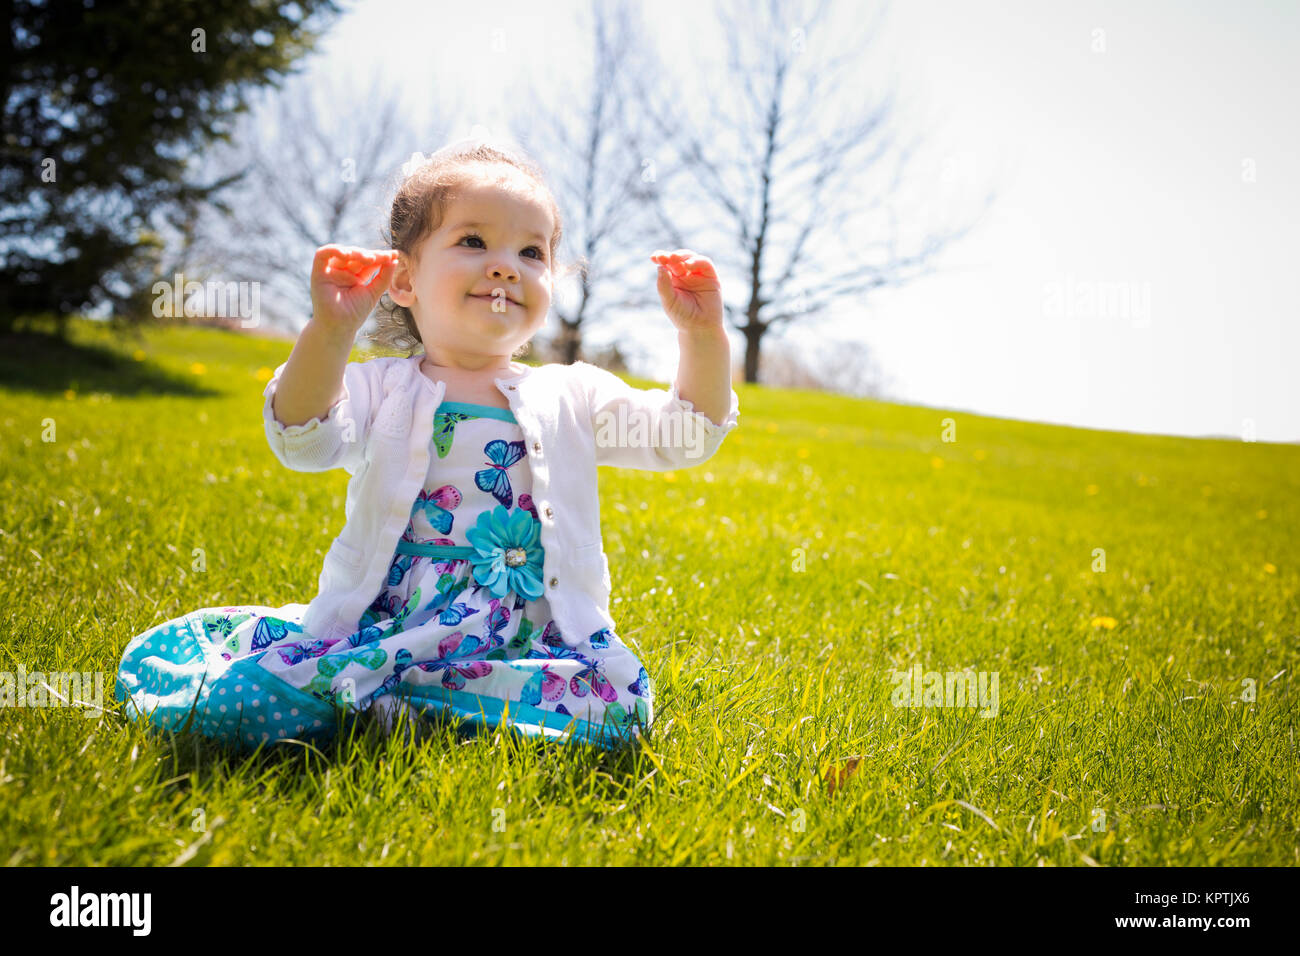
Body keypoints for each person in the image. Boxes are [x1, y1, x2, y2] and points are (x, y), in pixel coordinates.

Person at [115, 137, 740, 753]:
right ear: (404, 280)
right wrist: (331, 332)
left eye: (531, 251)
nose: (505, 265)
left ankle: (399, 708)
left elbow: (683, 435)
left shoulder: (570, 396)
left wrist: (704, 338)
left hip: (530, 638)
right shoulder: (382, 386)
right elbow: (303, 440)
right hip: (396, 623)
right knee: (238, 699)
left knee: (620, 710)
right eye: (473, 241)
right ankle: (419, 703)